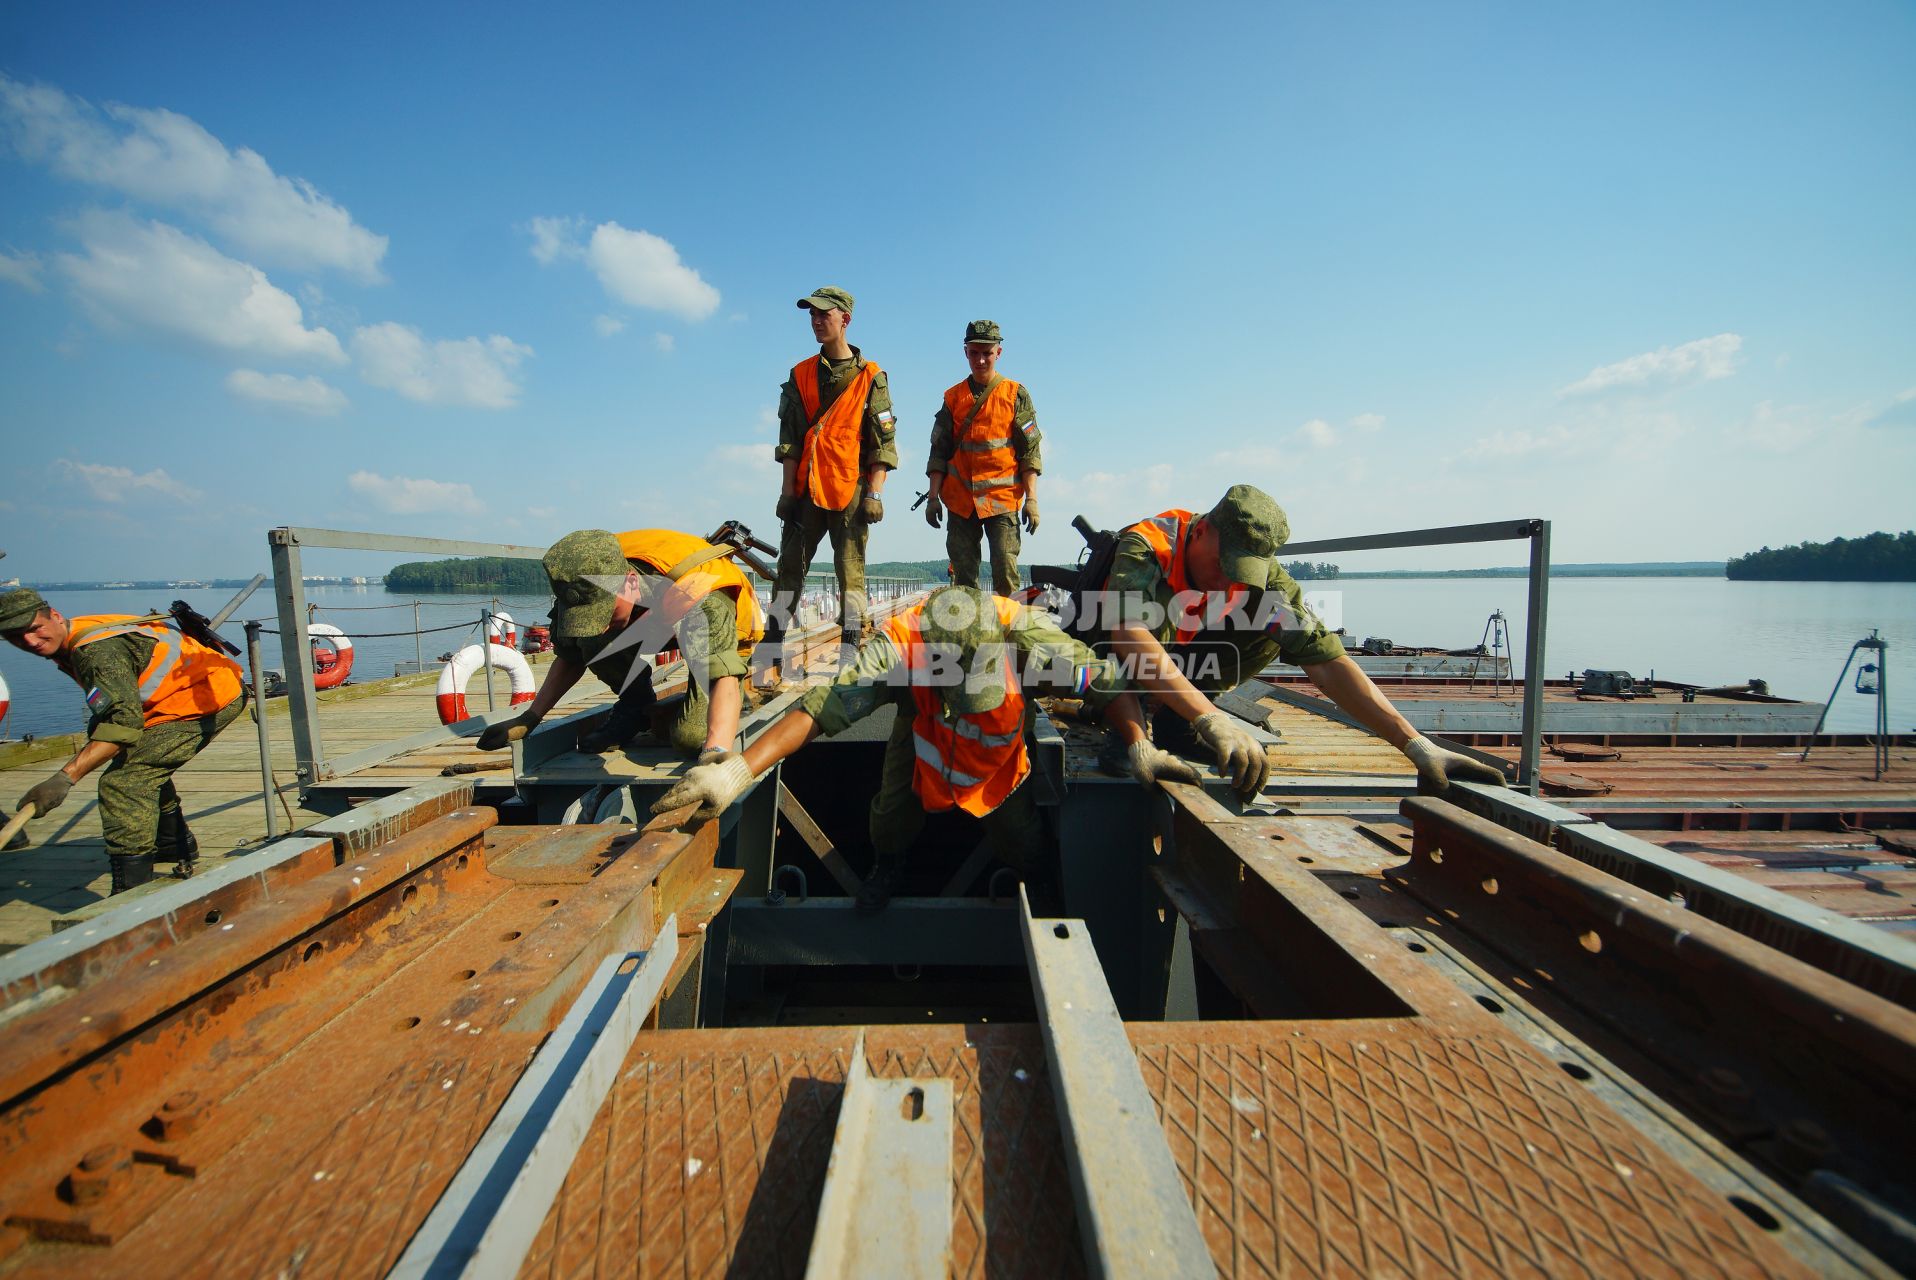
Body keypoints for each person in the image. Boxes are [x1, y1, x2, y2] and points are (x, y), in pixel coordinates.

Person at [649, 585, 1191, 913]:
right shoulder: (898, 647)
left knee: (1016, 828)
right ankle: (889, 865)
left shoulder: (1030, 637)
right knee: (891, 806)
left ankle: (1034, 877)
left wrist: (1140, 747)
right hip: (922, 727)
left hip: (996, 755)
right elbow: (819, 709)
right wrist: (737, 773)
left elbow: (1110, 684)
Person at [1087, 484, 1506, 794]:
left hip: (1184, 654)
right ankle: (1134, 726)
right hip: (1109, 650)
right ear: (1200, 534)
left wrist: (1414, 743)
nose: (1227, 579)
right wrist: (1212, 720)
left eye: (1241, 570)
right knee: (1144, 623)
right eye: (1222, 564)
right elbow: (1129, 633)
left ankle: (1179, 722)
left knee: (1271, 623)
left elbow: (1324, 659)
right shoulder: (1150, 543)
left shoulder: (1264, 581)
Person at [0, 589, 247, 891]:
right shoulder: (75, 635)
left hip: (205, 697)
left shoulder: (96, 652)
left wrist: (64, 778)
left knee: (124, 782)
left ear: (54, 616)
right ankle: (172, 843)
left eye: (34, 629)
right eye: (15, 637)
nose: (29, 642)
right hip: (170, 696)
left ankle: (131, 892)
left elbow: (122, 725)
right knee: (136, 760)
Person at [476, 529, 764, 760]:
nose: (600, 625)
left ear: (629, 582)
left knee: (690, 739)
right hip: (657, 616)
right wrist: (529, 719)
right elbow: (569, 656)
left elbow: (721, 675)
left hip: (722, 631)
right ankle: (635, 708)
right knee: (591, 639)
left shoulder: (699, 592)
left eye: (604, 613)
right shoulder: (581, 578)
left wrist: (715, 755)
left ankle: (736, 703)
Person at [766, 286, 898, 665]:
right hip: (806, 487)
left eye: (825, 314)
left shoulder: (871, 376)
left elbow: (882, 443)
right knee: (790, 566)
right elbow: (789, 439)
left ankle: (850, 644)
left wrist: (874, 493)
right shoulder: (801, 374)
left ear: (846, 319)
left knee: (849, 568)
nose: (817, 321)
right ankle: (772, 642)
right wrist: (787, 492)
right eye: (812, 314)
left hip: (849, 488)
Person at [924, 320, 1042, 594]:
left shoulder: (1015, 394)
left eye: (986, 353)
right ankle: (969, 634)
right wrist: (932, 498)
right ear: (965, 352)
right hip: (960, 500)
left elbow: (1030, 453)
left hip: (1002, 500)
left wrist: (1032, 500)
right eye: (974, 352)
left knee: (1005, 572)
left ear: (998, 353)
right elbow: (938, 452)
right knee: (964, 580)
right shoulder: (953, 398)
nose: (980, 360)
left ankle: (1010, 632)